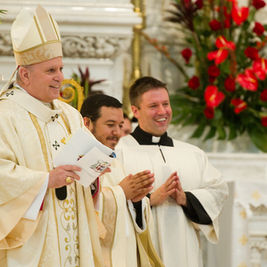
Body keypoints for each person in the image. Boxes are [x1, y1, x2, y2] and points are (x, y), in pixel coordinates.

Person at [0, 6, 104, 266]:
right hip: (33, 245)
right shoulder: (5, 115)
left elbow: (84, 176)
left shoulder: (69, 115)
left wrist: (93, 175)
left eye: (61, 68)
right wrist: (45, 181)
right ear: (24, 74)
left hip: (74, 240)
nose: (61, 78)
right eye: (51, 71)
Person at [116, 76, 229, 267]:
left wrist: (186, 198)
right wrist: (150, 200)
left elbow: (218, 191)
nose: (162, 111)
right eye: (153, 106)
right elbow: (107, 203)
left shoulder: (192, 154)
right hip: (138, 254)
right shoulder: (119, 153)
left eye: (166, 104)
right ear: (135, 110)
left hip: (184, 254)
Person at [80, 94, 164, 267]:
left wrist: (138, 202)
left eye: (120, 126)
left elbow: (130, 215)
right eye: (110, 125)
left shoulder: (115, 162)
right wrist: (121, 193)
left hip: (126, 256)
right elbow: (77, 209)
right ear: (86, 123)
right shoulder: (77, 163)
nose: (117, 133)